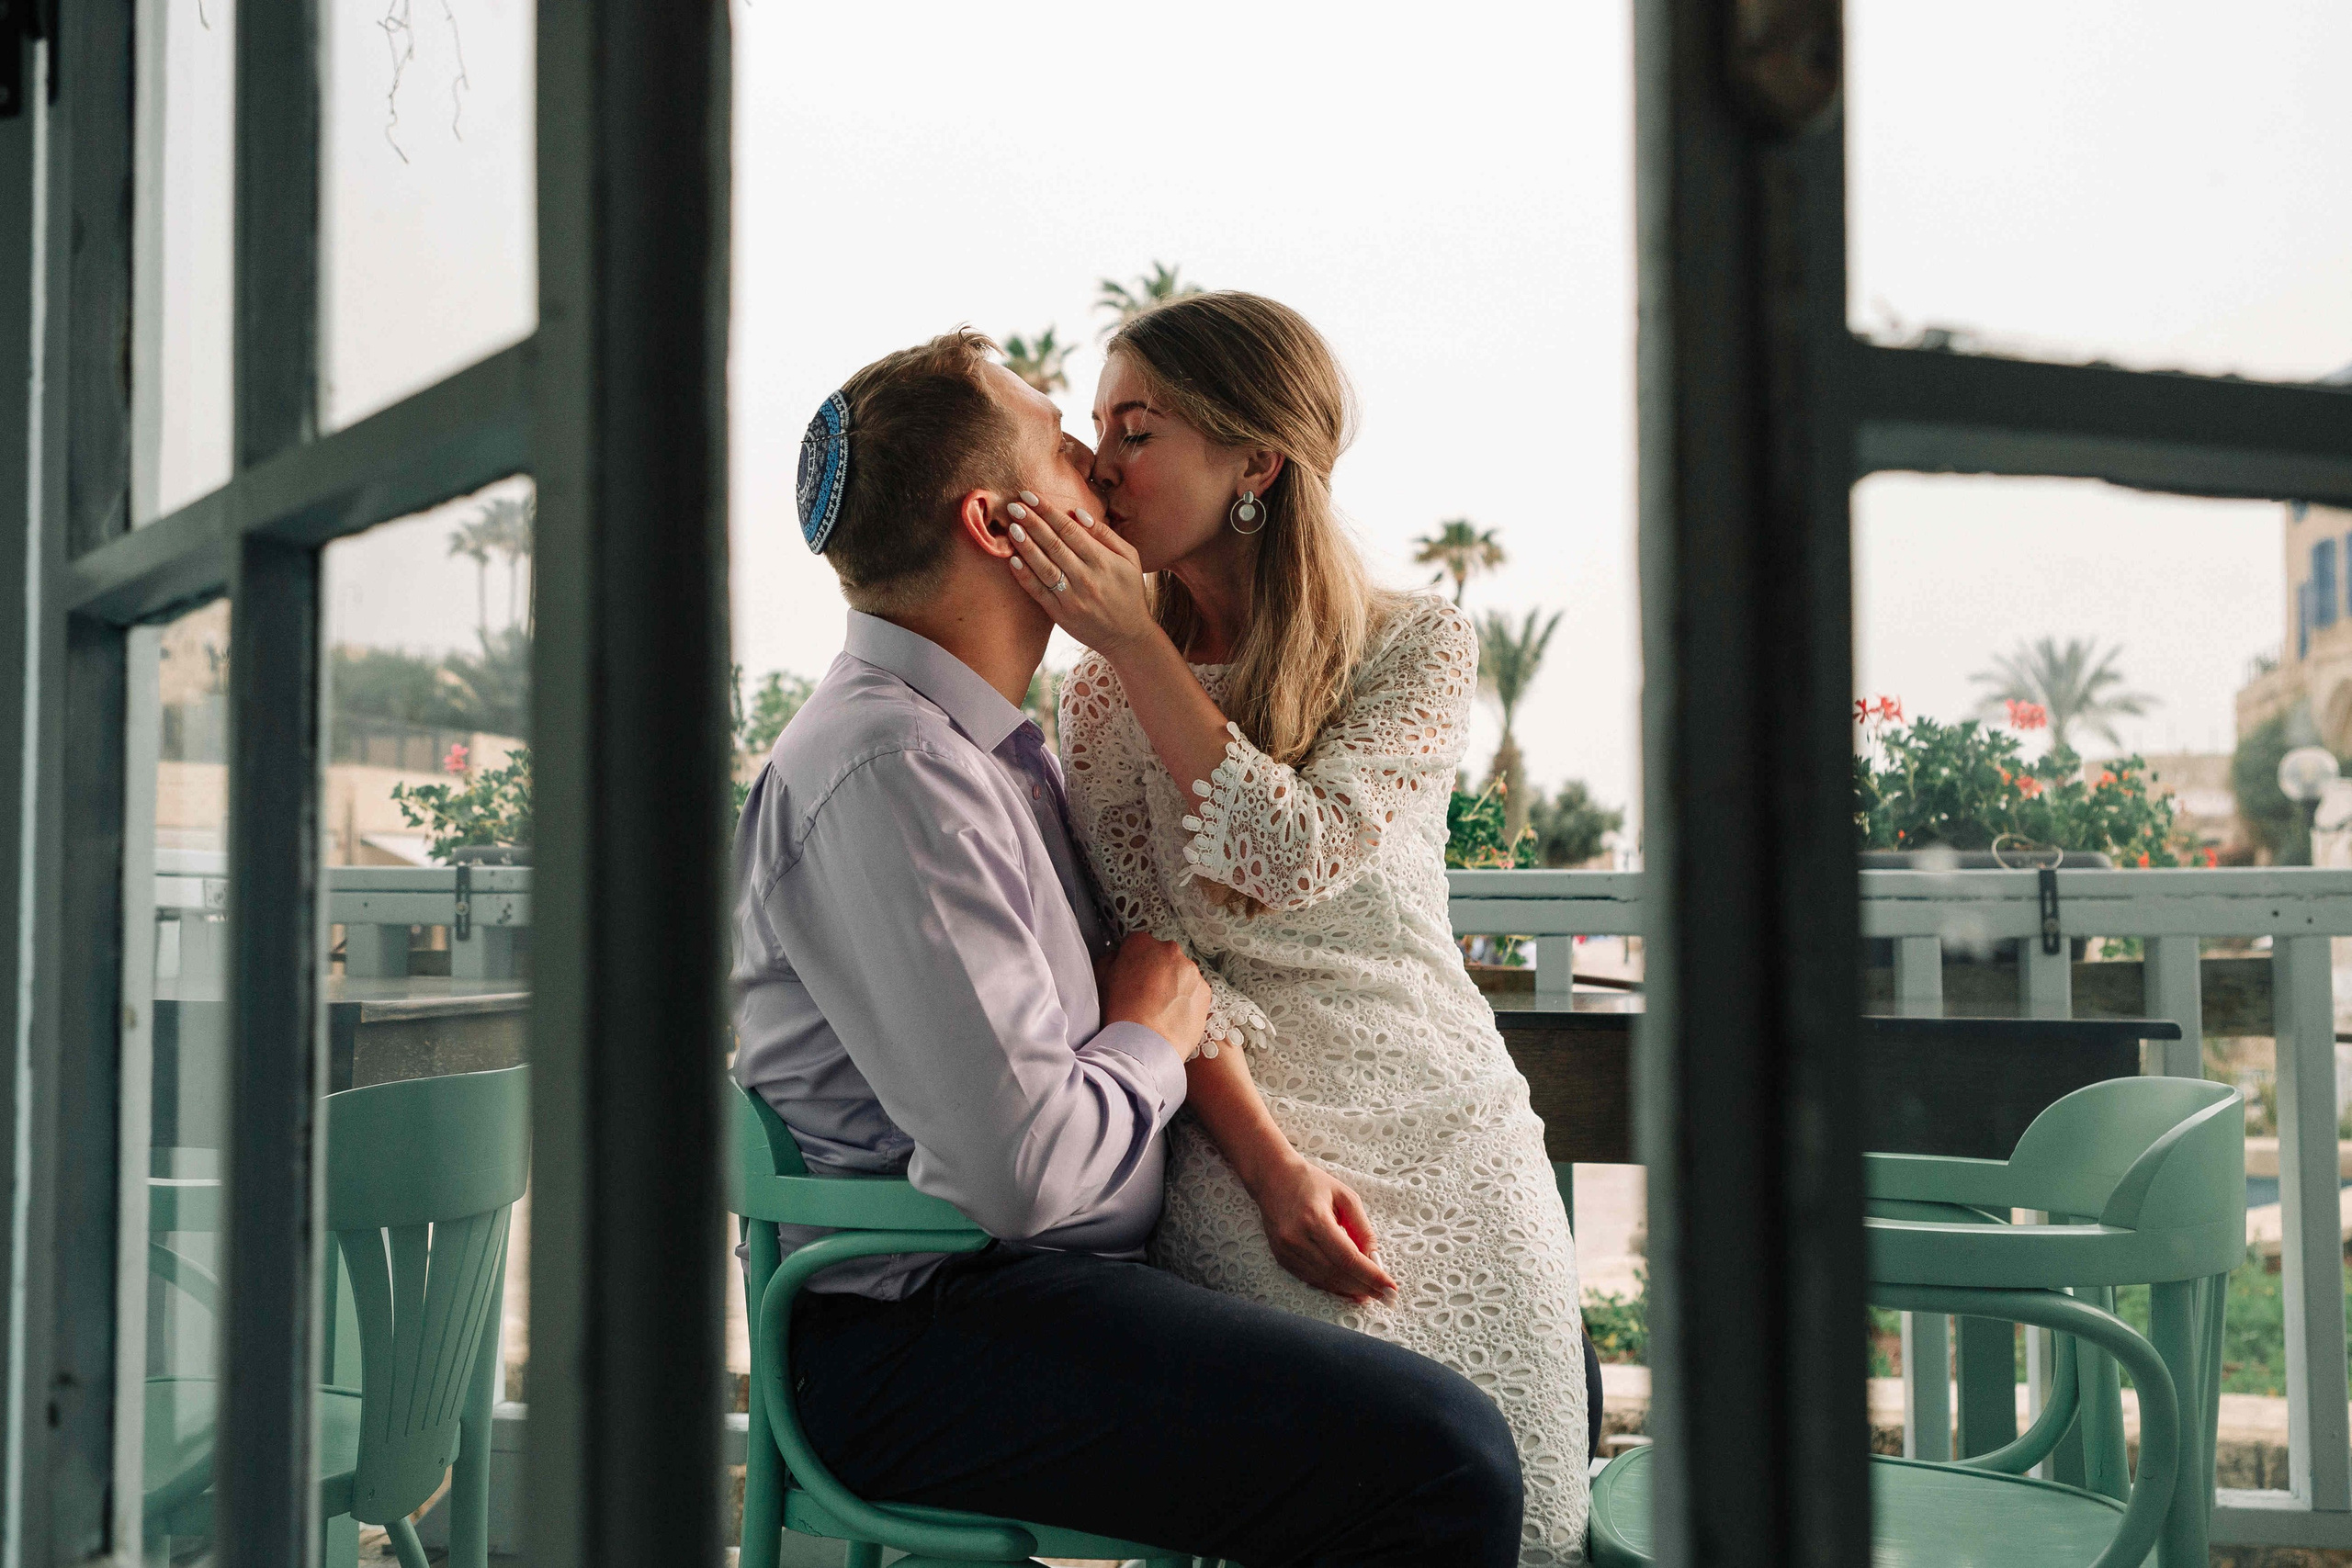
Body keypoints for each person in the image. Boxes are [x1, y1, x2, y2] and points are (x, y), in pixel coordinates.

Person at [731, 329, 1526, 1567]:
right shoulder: (892, 769)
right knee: (1439, 1455)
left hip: (1032, 1290)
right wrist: (1150, 1034)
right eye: (1066, 445)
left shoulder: (991, 751)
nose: (1098, 473)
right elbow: (1027, 1176)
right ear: (1003, 529)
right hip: (927, 1329)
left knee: (1477, 1394)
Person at [1005, 292, 1593, 1564]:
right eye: (1100, 424)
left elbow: (1297, 850)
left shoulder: (1415, 643)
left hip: (1451, 1122)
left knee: (1536, 1517)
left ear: (1255, 461)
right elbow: (1161, 962)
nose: (1101, 460)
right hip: (1243, 1141)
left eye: (1138, 427)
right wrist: (1274, 1176)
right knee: (1373, 1486)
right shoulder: (1099, 695)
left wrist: (1129, 643)